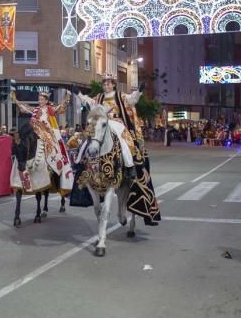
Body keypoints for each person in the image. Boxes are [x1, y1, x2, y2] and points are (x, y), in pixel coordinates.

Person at [76, 74, 160, 226]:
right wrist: (79, 94)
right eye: (105, 83)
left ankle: (129, 167)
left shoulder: (121, 96)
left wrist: (139, 91)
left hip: (118, 124)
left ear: (113, 85)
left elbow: (132, 100)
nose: (106, 85)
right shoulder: (99, 97)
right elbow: (88, 101)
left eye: (109, 83)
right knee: (86, 141)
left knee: (127, 142)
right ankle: (79, 163)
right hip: (104, 123)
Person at [12, 89, 74, 195]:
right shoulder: (35, 109)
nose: (40, 101)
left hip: (47, 134)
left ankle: (55, 166)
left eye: (41, 99)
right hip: (36, 132)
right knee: (24, 144)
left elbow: (60, 107)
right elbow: (25, 109)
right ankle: (21, 169)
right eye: (39, 99)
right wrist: (16, 100)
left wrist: (66, 99)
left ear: (46, 101)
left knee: (55, 147)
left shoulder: (50, 109)